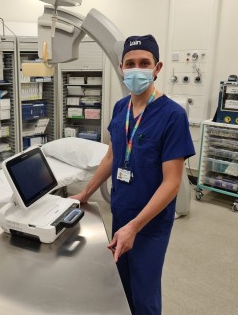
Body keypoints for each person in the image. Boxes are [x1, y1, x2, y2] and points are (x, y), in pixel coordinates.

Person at [70, 34, 195, 315]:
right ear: (121, 68)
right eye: (130, 63)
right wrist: (86, 193)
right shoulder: (119, 108)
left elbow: (172, 182)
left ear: (157, 68)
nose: (136, 69)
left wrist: (135, 227)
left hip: (149, 224)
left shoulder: (172, 116)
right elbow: (112, 157)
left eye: (144, 63)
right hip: (121, 214)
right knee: (120, 285)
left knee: (144, 293)